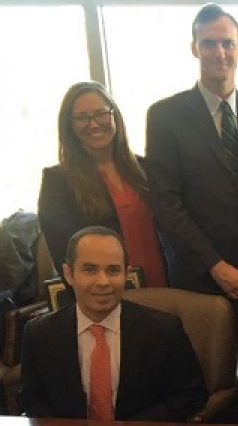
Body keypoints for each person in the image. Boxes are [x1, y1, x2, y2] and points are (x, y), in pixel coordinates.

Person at [146, 3, 238, 388]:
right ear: (194, 48)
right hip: (200, 280)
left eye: (227, 43)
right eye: (209, 43)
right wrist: (217, 267)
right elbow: (166, 204)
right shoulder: (164, 116)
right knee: (206, 386)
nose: (219, 52)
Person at [19, 227, 206, 421]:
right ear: (68, 274)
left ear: (126, 274)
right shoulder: (39, 334)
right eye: (90, 270)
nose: (103, 281)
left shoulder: (164, 330)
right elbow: (32, 399)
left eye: (113, 270)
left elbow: (192, 395)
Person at [40, 82, 168, 286]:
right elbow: (66, 256)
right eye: (82, 118)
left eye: (101, 113)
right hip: (107, 290)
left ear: (114, 115)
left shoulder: (145, 169)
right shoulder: (57, 182)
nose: (93, 124)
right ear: (69, 125)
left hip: (165, 284)